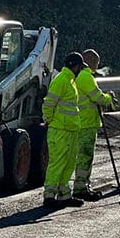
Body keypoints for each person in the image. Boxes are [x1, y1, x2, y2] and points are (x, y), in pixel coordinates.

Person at [41, 52, 86, 208]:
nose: (81, 70)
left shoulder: (70, 80)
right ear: (74, 66)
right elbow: (48, 104)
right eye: (80, 66)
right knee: (58, 162)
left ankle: (64, 195)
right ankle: (49, 196)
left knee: (69, 163)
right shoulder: (61, 80)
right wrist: (50, 120)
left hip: (70, 129)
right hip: (60, 129)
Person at [73, 49, 118, 201]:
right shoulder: (86, 76)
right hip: (87, 123)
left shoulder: (75, 75)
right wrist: (109, 97)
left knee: (77, 156)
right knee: (85, 156)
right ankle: (81, 187)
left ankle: (80, 186)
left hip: (78, 122)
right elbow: (97, 97)